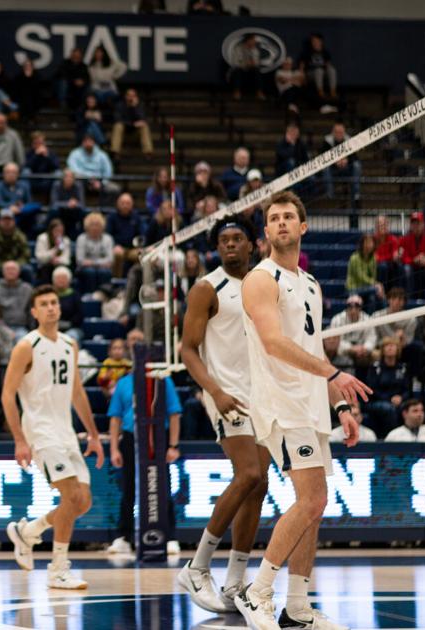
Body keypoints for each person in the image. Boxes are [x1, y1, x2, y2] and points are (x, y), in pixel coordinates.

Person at [236, 190, 371, 630]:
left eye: (288, 217)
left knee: (314, 504)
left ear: (303, 226)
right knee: (312, 499)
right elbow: (275, 344)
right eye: (273, 218)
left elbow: (310, 350)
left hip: (311, 407)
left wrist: (339, 407)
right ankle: (257, 593)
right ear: (266, 231)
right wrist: (334, 376)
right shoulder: (260, 278)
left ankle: (296, 607)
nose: (280, 223)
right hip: (282, 406)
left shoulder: (310, 284)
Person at [175, 214, 270, 613]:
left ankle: (234, 581)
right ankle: (197, 566)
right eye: (224, 240)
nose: (230, 244)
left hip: (263, 397)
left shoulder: (264, 284)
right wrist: (213, 390)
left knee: (259, 484)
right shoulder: (205, 288)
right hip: (225, 395)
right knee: (247, 473)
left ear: (252, 245)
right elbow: (187, 349)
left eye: (237, 238)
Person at [3, 285, 105, 588]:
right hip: (40, 431)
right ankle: (58, 568)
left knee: (82, 502)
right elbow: (8, 395)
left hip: (66, 432)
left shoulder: (70, 345)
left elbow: (76, 391)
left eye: (54, 303)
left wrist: (94, 435)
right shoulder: (26, 345)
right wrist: (20, 439)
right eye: (44, 304)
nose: (50, 307)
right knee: (71, 496)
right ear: (34, 312)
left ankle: (29, 531)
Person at [107, 367, 182, 557]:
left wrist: (173, 445)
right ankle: (124, 537)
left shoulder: (163, 381)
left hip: (157, 437)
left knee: (163, 487)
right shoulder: (124, 382)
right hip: (131, 438)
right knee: (128, 489)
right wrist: (114, 448)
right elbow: (115, 418)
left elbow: (174, 414)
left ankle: (170, 537)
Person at [363, 336, 412, 436]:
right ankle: (391, 438)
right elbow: (372, 390)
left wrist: (401, 397)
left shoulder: (403, 368)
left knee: (409, 408)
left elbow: (407, 389)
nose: (390, 348)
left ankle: (407, 437)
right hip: (377, 401)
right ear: (382, 350)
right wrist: (390, 399)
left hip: (398, 401)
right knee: (388, 408)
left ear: (397, 349)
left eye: (393, 345)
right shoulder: (375, 367)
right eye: (387, 346)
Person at [329, 294, 377, 371]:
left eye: (356, 306)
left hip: (363, 351)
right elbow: (333, 341)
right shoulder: (337, 319)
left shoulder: (368, 319)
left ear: (361, 308)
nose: (353, 310)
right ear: (347, 307)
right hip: (343, 350)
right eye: (350, 307)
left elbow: (372, 338)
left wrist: (364, 348)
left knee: (375, 356)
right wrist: (351, 348)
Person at [66, 134, 117, 202]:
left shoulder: (102, 155)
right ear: (82, 143)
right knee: (76, 184)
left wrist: (102, 183)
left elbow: (108, 171)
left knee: (115, 189)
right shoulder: (75, 154)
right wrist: (90, 179)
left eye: (90, 141)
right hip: (82, 180)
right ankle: (81, 209)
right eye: (86, 141)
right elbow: (73, 169)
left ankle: (104, 210)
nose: (88, 143)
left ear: (94, 142)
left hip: (100, 181)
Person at [400, 212, 425, 299]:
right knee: (406, 268)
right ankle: (408, 299)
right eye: (413, 223)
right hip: (412, 266)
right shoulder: (404, 239)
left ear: (423, 224)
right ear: (410, 225)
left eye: (418, 223)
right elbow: (404, 258)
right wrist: (414, 260)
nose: (416, 226)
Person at [321, 122, 362, 204]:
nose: (339, 134)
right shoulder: (327, 141)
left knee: (357, 165)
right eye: (337, 132)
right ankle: (330, 194)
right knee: (325, 168)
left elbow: (355, 157)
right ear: (333, 132)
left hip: (347, 168)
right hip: (333, 169)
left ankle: (356, 193)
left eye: (341, 132)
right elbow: (322, 157)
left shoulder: (349, 140)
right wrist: (334, 161)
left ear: (344, 132)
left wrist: (347, 160)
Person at [0, 260, 33, 335]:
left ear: (19, 272)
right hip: (0, 327)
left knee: (23, 340)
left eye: (13, 269)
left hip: (22, 327)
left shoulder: (28, 289)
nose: (10, 271)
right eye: (7, 269)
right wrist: (3, 329)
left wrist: (32, 330)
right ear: (2, 272)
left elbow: (31, 312)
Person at [0, 162, 40, 229]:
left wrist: (20, 208)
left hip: (22, 212)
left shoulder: (24, 185)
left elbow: (29, 202)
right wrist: (11, 207)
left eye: (13, 172)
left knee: (36, 206)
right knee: (6, 213)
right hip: (6, 213)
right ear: (3, 174)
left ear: (18, 174)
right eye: (8, 172)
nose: (11, 174)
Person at [299, 33, 339, 111]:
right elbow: (302, 65)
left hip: (322, 74)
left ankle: (333, 91)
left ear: (321, 41)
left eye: (317, 41)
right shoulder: (307, 52)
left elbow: (328, 64)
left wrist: (328, 70)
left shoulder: (325, 52)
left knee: (332, 70)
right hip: (311, 74)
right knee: (319, 70)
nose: (315, 42)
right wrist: (302, 75)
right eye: (313, 41)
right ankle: (320, 91)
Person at [111, 88, 153, 158]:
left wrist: (134, 107)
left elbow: (143, 119)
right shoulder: (120, 106)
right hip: (123, 133)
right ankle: (115, 152)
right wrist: (132, 124)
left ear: (136, 97)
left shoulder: (139, 105)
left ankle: (148, 152)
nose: (131, 97)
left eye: (133, 96)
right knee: (118, 125)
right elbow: (117, 119)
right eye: (129, 95)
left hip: (135, 134)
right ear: (125, 96)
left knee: (144, 126)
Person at [346, 234, 384, 311]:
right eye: (367, 242)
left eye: (371, 242)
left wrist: (375, 284)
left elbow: (373, 276)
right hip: (354, 288)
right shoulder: (354, 258)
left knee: (372, 298)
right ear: (362, 244)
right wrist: (377, 285)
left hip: (367, 289)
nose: (370, 245)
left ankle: (370, 321)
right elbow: (361, 276)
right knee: (377, 289)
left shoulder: (373, 258)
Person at [33, 218, 72, 284]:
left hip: (60, 265)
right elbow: (40, 257)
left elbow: (67, 260)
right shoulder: (42, 238)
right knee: (47, 268)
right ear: (51, 230)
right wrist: (55, 249)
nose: (59, 233)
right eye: (56, 231)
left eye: (61, 231)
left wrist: (58, 260)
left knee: (63, 270)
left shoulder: (65, 240)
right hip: (45, 265)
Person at [228, 34, 264, 100]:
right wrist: (245, 64)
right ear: (248, 40)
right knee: (237, 70)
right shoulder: (238, 49)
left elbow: (257, 63)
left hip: (250, 72)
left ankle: (259, 93)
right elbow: (235, 63)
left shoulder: (255, 50)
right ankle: (237, 93)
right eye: (253, 40)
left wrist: (253, 64)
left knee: (256, 70)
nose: (255, 42)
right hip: (240, 70)